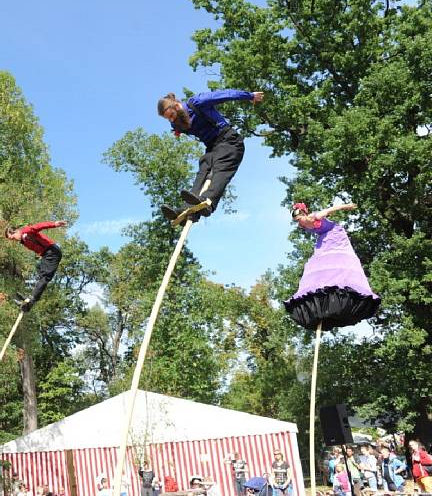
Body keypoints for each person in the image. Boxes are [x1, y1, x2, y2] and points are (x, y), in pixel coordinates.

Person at [156, 89, 264, 222]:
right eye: (168, 119)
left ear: (177, 105)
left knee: (220, 169)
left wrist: (249, 96)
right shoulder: (176, 122)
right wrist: (178, 131)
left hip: (229, 141)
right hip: (212, 147)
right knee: (204, 169)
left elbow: (225, 95)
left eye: (172, 115)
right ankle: (188, 207)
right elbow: (180, 126)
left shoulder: (197, 102)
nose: (172, 120)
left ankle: (208, 201)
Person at [284, 202, 380, 330]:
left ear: (302, 214)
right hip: (327, 238)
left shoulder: (310, 219)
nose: (298, 220)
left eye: (298, 217)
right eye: (296, 218)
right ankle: (327, 289)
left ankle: (342, 283)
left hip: (333, 236)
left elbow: (329, 212)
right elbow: (328, 213)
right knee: (324, 263)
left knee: (336, 261)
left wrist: (346, 207)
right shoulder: (307, 221)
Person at [5, 220, 67, 311]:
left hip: (52, 252)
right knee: (39, 270)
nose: (14, 240)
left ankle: (31, 301)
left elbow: (39, 226)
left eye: (13, 238)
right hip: (46, 254)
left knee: (45, 277)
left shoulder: (26, 231)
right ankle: (32, 297)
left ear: (16, 231)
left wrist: (54, 224)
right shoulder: (23, 240)